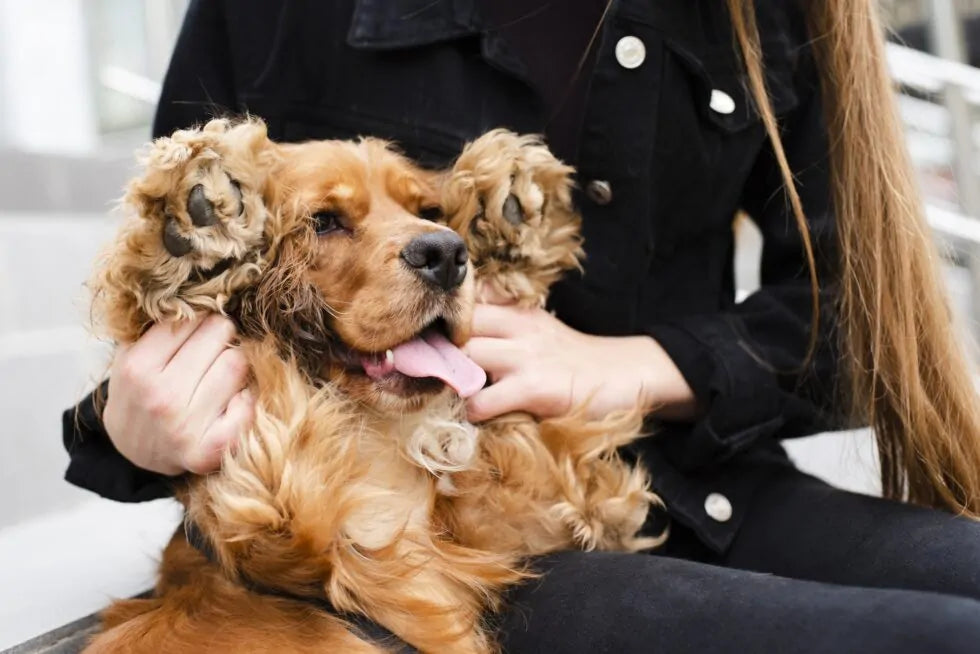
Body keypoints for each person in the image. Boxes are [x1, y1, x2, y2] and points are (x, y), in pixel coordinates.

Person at [64, 1, 980, 651]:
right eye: (338, 217)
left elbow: (867, 333)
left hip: (697, 481)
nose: (435, 243)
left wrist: (632, 367)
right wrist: (126, 426)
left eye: (432, 211)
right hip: (422, 529)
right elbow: (181, 272)